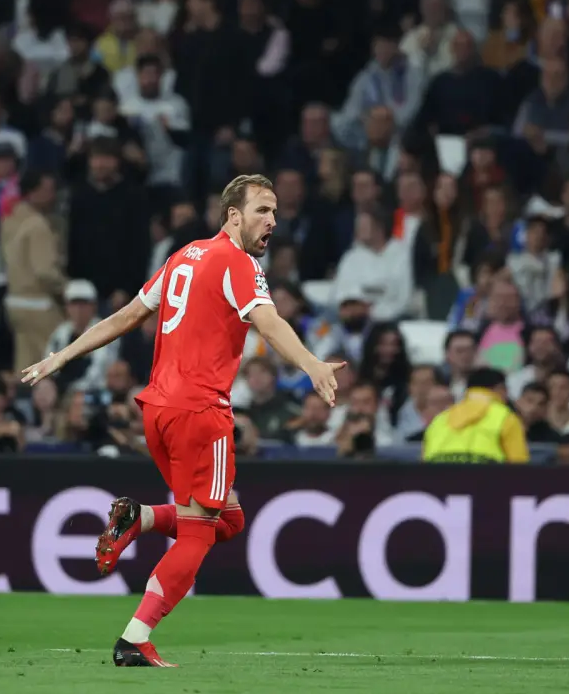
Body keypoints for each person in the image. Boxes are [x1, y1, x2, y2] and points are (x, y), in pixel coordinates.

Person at [22, 174, 343, 667]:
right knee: (198, 533)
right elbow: (268, 322)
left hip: (158, 411)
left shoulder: (182, 256)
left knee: (228, 520)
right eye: (262, 210)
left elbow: (126, 316)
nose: (272, 221)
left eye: (275, 212)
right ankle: (135, 637)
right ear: (233, 216)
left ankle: (141, 517)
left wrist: (61, 355)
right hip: (200, 413)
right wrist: (312, 364)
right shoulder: (239, 263)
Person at [422, 367, 530, 463]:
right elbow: (519, 467)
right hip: (486, 478)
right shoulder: (505, 417)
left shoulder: (439, 420)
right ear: (500, 389)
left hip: (440, 478)